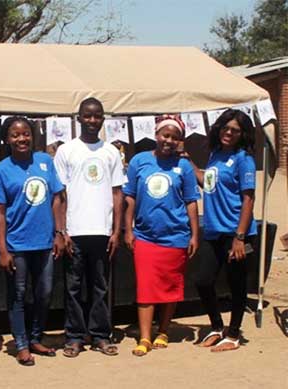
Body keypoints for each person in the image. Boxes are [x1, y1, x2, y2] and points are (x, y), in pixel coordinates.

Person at [0, 116, 66, 366]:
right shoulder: (1, 169)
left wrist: (59, 233)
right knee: (19, 295)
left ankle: (35, 337)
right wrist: (2, 249)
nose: (21, 138)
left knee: (44, 293)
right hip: (17, 245)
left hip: (45, 243)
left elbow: (57, 198)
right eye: (15, 135)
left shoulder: (45, 161)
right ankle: (21, 344)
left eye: (25, 134)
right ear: (7, 139)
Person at [123, 114, 200, 357]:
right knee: (145, 287)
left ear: (180, 141)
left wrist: (195, 235)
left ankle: (164, 330)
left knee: (169, 285)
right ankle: (145, 337)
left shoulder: (184, 166)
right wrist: (128, 228)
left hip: (176, 236)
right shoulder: (139, 161)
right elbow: (130, 197)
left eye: (174, 137)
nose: (169, 140)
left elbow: (191, 202)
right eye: (165, 135)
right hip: (145, 236)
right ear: (156, 135)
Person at [53, 97, 125, 358]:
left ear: (103, 119)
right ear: (79, 118)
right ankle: (73, 337)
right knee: (72, 287)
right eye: (88, 116)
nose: (92, 121)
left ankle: (100, 335)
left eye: (97, 116)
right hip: (74, 232)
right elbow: (59, 195)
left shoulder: (111, 152)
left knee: (100, 286)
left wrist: (116, 231)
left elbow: (118, 194)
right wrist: (61, 231)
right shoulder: (66, 151)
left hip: (103, 232)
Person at [189, 109, 257, 352]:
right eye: (226, 128)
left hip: (236, 233)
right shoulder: (215, 154)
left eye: (235, 130)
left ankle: (234, 334)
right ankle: (217, 327)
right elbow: (207, 181)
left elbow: (248, 199)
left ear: (242, 134)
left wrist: (240, 237)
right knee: (202, 280)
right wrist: (189, 162)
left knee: (236, 284)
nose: (229, 133)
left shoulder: (244, 159)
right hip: (214, 230)